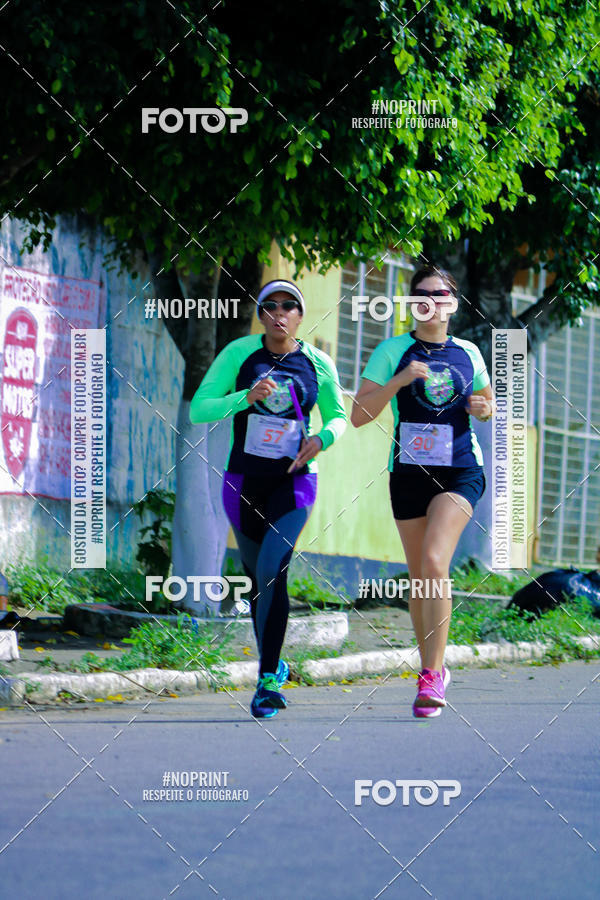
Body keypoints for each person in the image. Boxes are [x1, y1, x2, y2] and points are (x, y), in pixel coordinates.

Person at [190, 279, 347, 717]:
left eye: (289, 305)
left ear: (300, 315)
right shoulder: (240, 355)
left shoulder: (317, 363)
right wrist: (244, 397)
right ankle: (274, 666)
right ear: (261, 314)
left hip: (294, 483)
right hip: (243, 483)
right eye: (270, 305)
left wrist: (322, 439)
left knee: (272, 569)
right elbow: (198, 409)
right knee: (259, 582)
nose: (279, 312)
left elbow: (338, 417)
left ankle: (265, 683)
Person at [351, 265, 494, 718]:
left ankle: (433, 673)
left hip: (460, 472)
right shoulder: (393, 350)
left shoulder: (469, 351)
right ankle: (428, 665)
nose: (430, 300)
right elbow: (358, 414)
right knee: (419, 576)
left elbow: (487, 405)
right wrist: (398, 381)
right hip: (409, 475)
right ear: (412, 302)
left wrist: (484, 406)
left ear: (453, 302)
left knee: (435, 561)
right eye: (421, 294)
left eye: (440, 293)